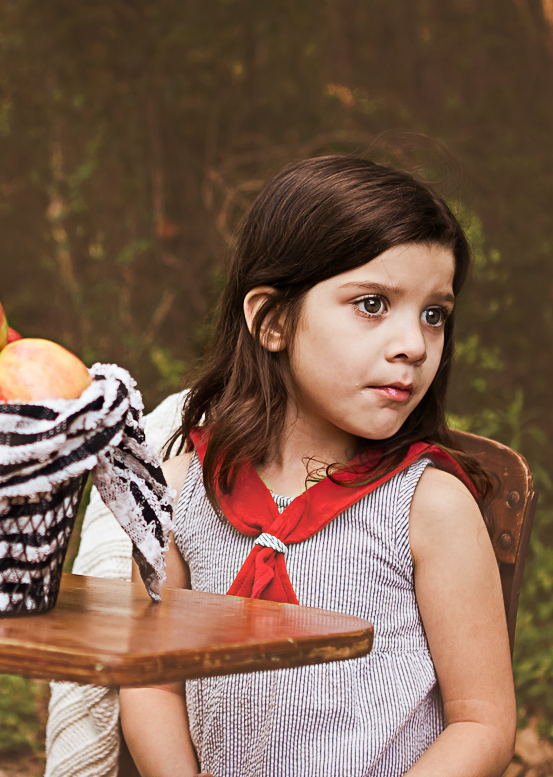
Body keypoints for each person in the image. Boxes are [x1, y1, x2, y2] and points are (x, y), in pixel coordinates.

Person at [118, 155, 517, 777]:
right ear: (273, 320)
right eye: (373, 304)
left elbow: (482, 723)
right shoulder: (179, 488)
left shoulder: (428, 506)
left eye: (434, 313)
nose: (414, 343)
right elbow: (151, 682)